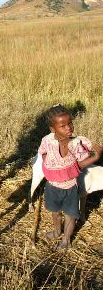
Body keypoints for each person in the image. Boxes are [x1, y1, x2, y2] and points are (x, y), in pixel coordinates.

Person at [38, 104, 102, 250]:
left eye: (70, 123)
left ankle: (66, 240)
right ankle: (56, 231)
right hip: (52, 187)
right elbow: (42, 152)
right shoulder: (47, 140)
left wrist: (95, 156)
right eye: (63, 126)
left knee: (70, 216)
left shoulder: (75, 143)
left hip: (70, 187)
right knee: (55, 213)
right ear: (53, 129)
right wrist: (51, 166)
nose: (69, 128)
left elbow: (80, 164)